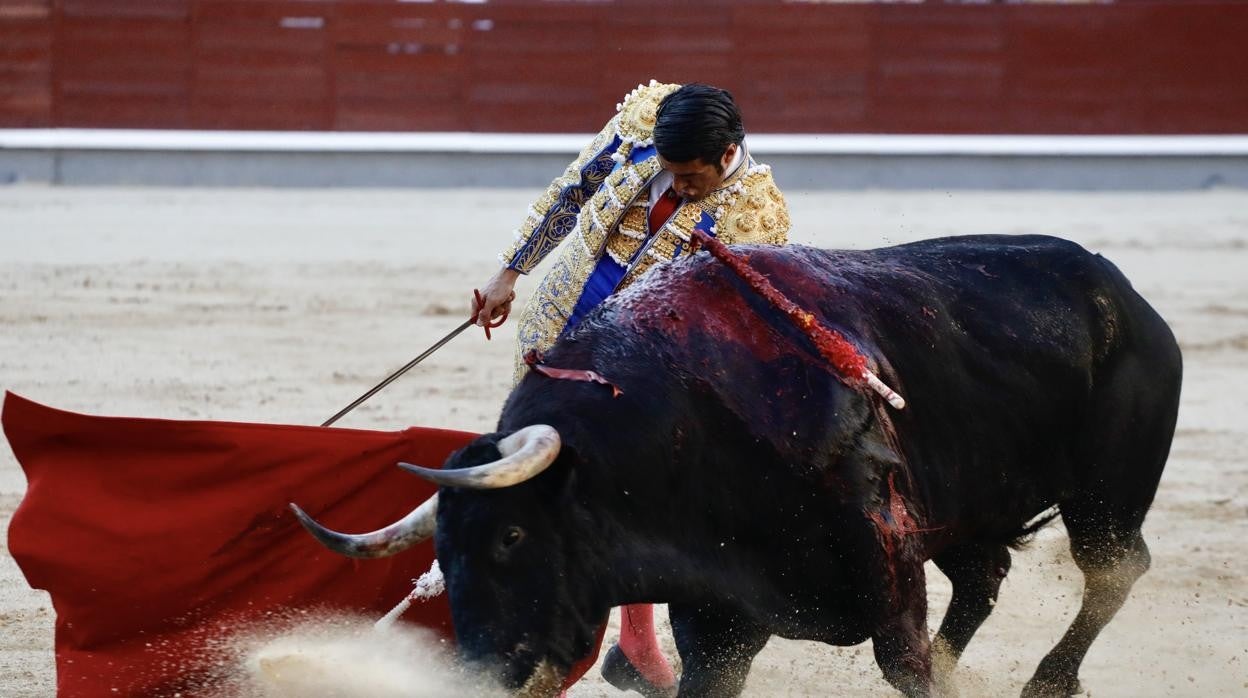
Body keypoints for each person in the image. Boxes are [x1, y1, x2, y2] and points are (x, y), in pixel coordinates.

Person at [471, 80, 791, 696]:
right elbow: (571, 193)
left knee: (597, 497)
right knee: (533, 467)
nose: (676, 185)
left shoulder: (758, 214)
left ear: (727, 156)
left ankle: (579, 650)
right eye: (669, 172)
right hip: (553, 323)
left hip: (633, 367)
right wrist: (509, 272)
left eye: (690, 178)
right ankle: (630, 646)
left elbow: (718, 324)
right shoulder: (645, 119)